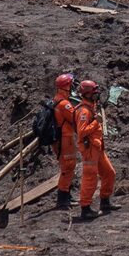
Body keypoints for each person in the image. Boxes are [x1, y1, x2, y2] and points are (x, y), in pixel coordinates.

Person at [74, 79, 118, 221]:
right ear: (87, 94)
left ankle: (105, 202)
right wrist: (96, 122)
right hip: (90, 149)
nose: (96, 95)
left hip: (97, 148)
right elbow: (82, 132)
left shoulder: (91, 107)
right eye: (94, 93)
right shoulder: (84, 111)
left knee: (109, 173)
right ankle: (85, 208)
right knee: (90, 178)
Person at [52, 73, 79, 210]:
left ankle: (66, 195)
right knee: (68, 168)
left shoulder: (56, 100)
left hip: (61, 139)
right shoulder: (64, 104)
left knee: (67, 167)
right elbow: (75, 120)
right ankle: (63, 199)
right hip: (65, 138)